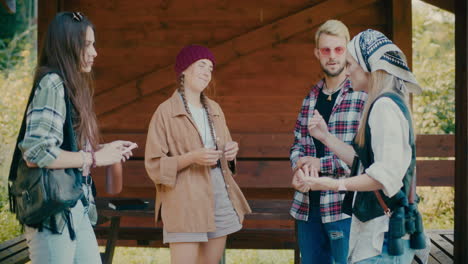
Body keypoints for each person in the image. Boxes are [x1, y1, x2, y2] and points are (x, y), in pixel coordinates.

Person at [15, 12, 137, 263]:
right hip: (53, 215)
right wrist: (94, 158)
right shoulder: (53, 84)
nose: (95, 52)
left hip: (73, 207)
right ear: (69, 45)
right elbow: (35, 152)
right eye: (88, 45)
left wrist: (103, 150)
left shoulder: (68, 85)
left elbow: (64, 147)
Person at [299, 29, 425, 263]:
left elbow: (382, 176)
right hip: (385, 232)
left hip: (385, 237)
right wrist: (326, 137)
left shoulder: (383, 106)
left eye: (350, 64)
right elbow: (364, 163)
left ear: (368, 66)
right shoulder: (384, 101)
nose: (346, 72)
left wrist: (333, 184)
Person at [145, 45, 251, 264]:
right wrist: (192, 158)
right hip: (183, 197)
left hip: (220, 192)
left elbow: (225, 152)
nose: (207, 72)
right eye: (201, 65)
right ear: (184, 69)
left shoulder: (215, 109)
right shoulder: (164, 112)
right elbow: (154, 165)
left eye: (210, 68)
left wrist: (231, 152)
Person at [289, 20, 367, 264]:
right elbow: (297, 144)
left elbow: (363, 159)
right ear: (317, 53)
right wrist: (300, 164)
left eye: (338, 49)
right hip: (307, 207)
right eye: (325, 50)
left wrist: (320, 164)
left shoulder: (361, 97)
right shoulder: (310, 97)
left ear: (347, 51)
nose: (332, 56)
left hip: (343, 207)